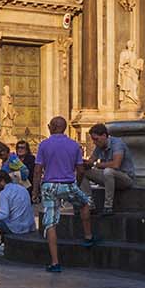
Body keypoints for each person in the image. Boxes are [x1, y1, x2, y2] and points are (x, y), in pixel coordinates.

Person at [33, 116, 93, 273]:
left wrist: (35, 191)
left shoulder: (44, 145)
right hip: (68, 184)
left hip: (49, 186)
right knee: (85, 203)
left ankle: (55, 262)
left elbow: (38, 170)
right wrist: (76, 184)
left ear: (52, 127)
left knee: (51, 223)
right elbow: (80, 170)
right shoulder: (74, 145)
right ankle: (88, 236)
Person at [83, 123, 135, 216]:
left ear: (104, 136)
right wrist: (85, 163)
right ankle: (89, 205)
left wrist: (96, 164)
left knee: (108, 171)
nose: (94, 142)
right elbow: (92, 160)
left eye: (96, 139)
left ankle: (108, 207)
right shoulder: (99, 146)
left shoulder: (117, 144)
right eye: (93, 139)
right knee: (83, 172)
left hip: (125, 178)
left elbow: (116, 165)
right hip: (108, 177)